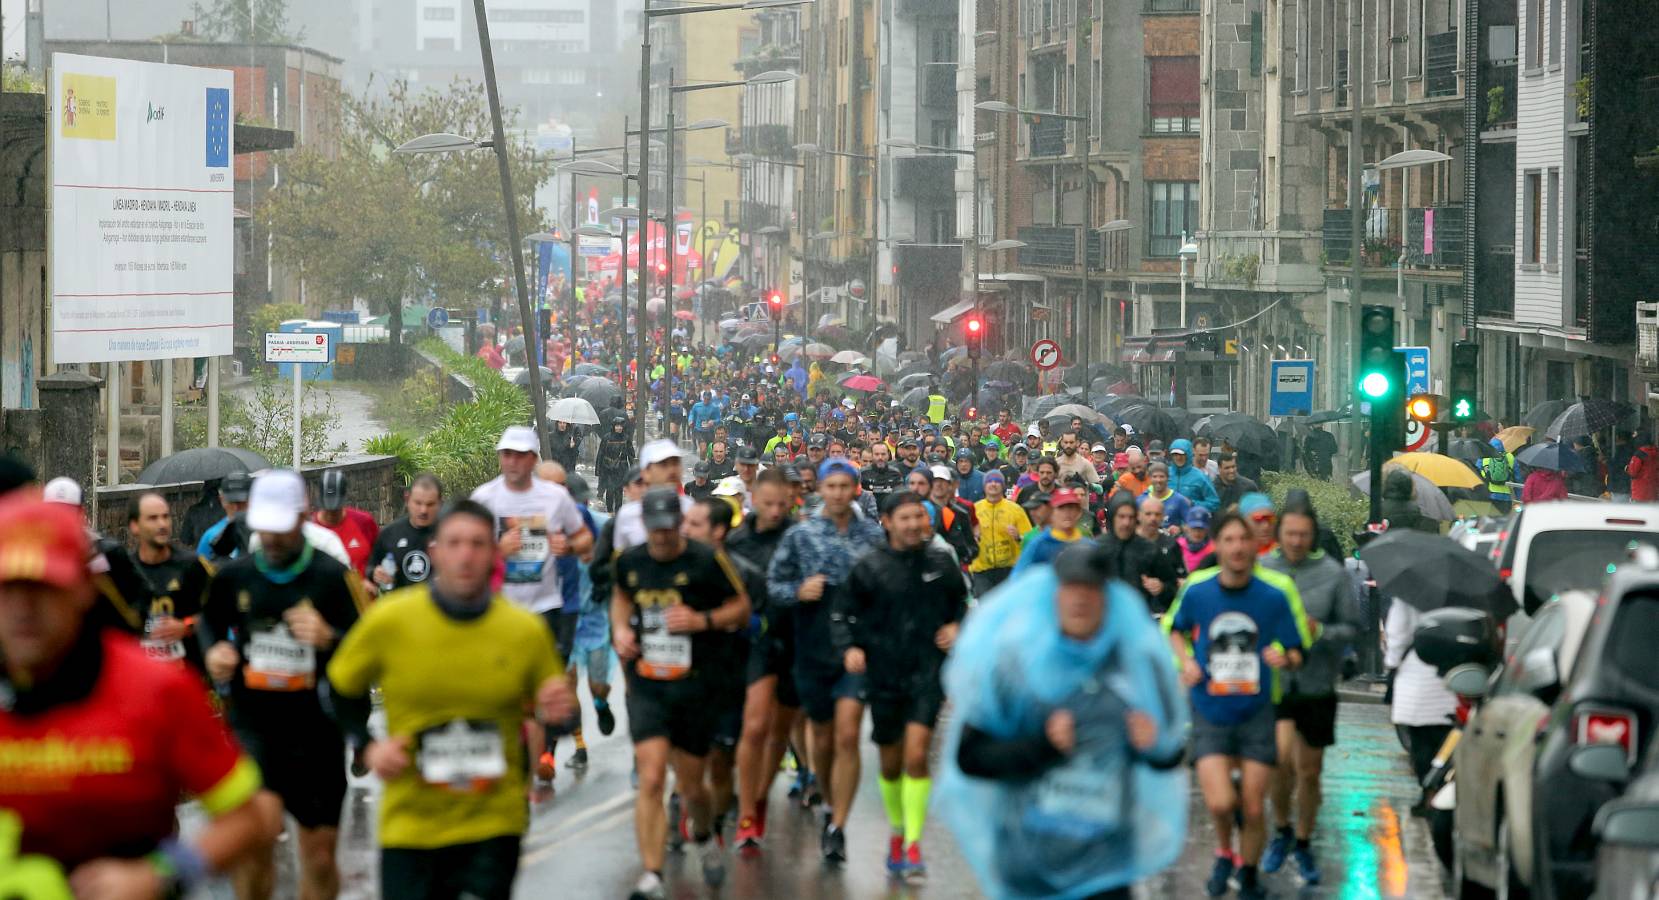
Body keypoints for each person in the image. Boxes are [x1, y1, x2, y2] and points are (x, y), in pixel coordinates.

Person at [0, 492, 280, 899]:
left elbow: (256, 815)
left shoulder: (158, 688)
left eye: (43, 587)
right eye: (9, 587)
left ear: (82, 589)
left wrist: (161, 875)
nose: (23, 608)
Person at [327, 500, 576, 900]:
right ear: (435, 553)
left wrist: (560, 711)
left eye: (478, 544)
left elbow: (557, 716)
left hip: (493, 824)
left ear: (494, 554)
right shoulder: (391, 620)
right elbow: (338, 688)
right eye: (454, 543)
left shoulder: (524, 631)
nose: (466, 555)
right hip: (411, 825)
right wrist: (368, 748)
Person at [942, 542, 1188, 900]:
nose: (1080, 599)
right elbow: (971, 757)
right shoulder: (1018, 668)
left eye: (1091, 588)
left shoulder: (1137, 670)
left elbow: (1170, 753)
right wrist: (1042, 745)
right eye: (1070, 587)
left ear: (1109, 597)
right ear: (1052, 595)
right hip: (1029, 858)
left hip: (1105, 862)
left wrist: (1154, 747)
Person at [201, 469, 368, 900]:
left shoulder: (330, 577)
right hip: (254, 728)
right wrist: (215, 651)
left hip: (317, 731)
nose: (271, 538)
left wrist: (329, 637)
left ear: (302, 518)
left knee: (317, 856)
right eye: (264, 527)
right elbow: (209, 624)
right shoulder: (235, 577)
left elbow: (366, 650)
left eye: (281, 527)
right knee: (255, 845)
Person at [611, 488, 750, 900]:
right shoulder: (630, 561)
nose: (661, 539)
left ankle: (704, 834)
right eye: (654, 530)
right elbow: (621, 597)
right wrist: (620, 630)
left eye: (668, 530)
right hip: (647, 684)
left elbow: (741, 607)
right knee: (651, 777)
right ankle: (652, 874)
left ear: (678, 524)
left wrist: (701, 619)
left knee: (693, 788)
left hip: (695, 685)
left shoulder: (706, 560)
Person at [1163, 512, 1309, 900]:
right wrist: (1188, 661)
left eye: (1243, 540)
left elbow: (1296, 649)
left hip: (1257, 712)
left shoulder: (1272, 596)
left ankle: (1246, 872)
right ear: (1218, 546)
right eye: (1228, 540)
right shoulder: (1198, 591)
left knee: (1254, 806)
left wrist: (1284, 657)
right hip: (1210, 710)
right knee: (1221, 801)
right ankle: (1225, 850)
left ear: (1253, 547)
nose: (1237, 547)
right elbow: (1175, 630)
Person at [833, 491, 969, 880]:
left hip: (927, 671)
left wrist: (955, 625)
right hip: (883, 673)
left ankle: (912, 842)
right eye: (905, 518)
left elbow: (961, 602)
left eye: (919, 518)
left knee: (916, 756)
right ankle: (897, 830)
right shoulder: (869, 567)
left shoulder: (941, 563)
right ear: (888, 522)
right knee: (891, 763)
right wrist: (850, 649)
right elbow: (842, 614)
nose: (914, 525)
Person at [766, 457, 886, 863]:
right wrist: (798, 591)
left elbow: (887, 587)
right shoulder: (801, 536)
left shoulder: (873, 536)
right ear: (818, 489)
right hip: (812, 645)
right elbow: (774, 587)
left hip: (856, 648)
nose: (837, 493)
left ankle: (838, 823)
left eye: (844, 486)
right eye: (829, 486)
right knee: (822, 737)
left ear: (855, 489)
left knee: (849, 733)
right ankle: (829, 803)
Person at [470, 425, 593, 789]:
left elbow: (584, 539)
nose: (511, 461)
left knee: (542, 690)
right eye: (506, 454)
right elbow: (462, 552)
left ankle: (540, 759)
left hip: (546, 608)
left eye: (519, 454)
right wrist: (496, 550)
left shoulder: (554, 498)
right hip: (500, 610)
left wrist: (567, 547)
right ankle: (506, 754)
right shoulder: (485, 498)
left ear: (532, 459)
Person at [1258, 504, 1359, 886]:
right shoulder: (1265, 570)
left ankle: (1302, 840)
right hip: (1276, 685)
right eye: (1290, 534)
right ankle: (1281, 827)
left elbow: (1351, 628)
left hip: (1317, 683)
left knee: (1310, 771)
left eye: (1303, 534)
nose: (1296, 541)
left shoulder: (1334, 575)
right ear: (1280, 533)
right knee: (1280, 763)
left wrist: (1320, 632)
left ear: (1312, 535)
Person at [679, 496, 760, 845]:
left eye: (695, 525)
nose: (685, 530)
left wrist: (717, 622)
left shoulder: (745, 574)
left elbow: (758, 625)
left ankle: (714, 825)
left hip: (727, 676)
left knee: (719, 761)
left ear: (718, 531)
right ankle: (683, 800)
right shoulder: (671, 569)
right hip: (679, 679)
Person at [727, 469, 800, 849]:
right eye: (767, 503)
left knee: (779, 732)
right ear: (753, 498)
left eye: (781, 504)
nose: (774, 511)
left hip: (794, 642)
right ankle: (745, 810)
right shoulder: (736, 541)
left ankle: (759, 798)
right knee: (754, 726)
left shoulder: (799, 537)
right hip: (754, 641)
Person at [126, 491, 214, 672]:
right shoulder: (125, 570)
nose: (162, 524)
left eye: (166, 517)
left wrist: (186, 626)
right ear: (135, 526)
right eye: (153, 518)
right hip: (141, 678)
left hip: (187, 675)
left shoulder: (192, 566)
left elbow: (221, 610)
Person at [1098, 491, 1179, 608]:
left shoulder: (1150, 549)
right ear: (1112, 517)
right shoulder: (1098, 548)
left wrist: (1161, 588)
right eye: (1121, 516)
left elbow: (1173, 589)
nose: (1126, 523)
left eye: (1131, 517)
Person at [369, 473, 443, 593]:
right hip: (401, 607)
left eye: (430, 504)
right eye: (418, 503)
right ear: (407, 499)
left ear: (440, 502)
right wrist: (375, 573)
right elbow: (370, 567)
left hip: (439, 608)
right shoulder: (390, 533)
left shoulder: (451, 535)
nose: (423, 510)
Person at [968, 470, 1031, 596]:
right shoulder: (974, 509)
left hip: (1009, 570)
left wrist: (1018, 536)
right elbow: (964, 540)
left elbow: (1029, 540)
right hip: (981, 570)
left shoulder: (1015, 510)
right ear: (984, 486)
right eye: (989, 481)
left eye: (997, 481)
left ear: (1003, 486)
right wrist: (973, 537)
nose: (993, 484)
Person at [313, 468, 380, 579]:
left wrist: (372, 576)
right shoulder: (310, 530)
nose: (331, 513)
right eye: (327, 508)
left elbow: (379, 557)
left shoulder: (364, 522)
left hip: (361, 594)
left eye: (336, 508)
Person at [1012, 488, 1089, 574]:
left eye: (1071, 507)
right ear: (1052, 511)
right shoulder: (1038, 545)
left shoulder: (1088, 546)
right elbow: (1018, 576)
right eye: (1061, 507)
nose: (1067, 512)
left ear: (1079, 512)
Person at [1135, 495, 1186, 614]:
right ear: (1139, 515)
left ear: (1163, 516)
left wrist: (1163, 587)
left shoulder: (1171, 544)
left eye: (1157, 514)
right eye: (1148, 514)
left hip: (1163, 612)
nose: (1153, 518)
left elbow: (1180, 581)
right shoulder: (1128, 543)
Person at [926, 465, 977, 568]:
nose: (938, 484)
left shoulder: (961, 513)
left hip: (955, 571)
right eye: (935, 481)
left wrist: (963, 556)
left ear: (950, 485)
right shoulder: (921, 512)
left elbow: (972, 547)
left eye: (943, 481)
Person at [197, 471, 253, 561]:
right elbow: (199, 571)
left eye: (241, 502)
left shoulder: (265, 532)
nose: (236, 508)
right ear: (222, 500)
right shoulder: (211, 537)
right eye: (231, 502)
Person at [1139, 462, 1193, 531]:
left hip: (1171, 540)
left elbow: (1192, 525)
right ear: (1150, 478)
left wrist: (1180, 529)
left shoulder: (1179, 500)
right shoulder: (1141, 500)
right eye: (1155, 476)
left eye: (1162, 476)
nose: (1158, 480)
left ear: (1168, 478)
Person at [597, 418, 637, 513]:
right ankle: (610, 511)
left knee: (619, 491)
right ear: (613, 426)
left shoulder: (626, 438)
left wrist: (633, 471)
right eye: (617, 426)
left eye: (620, 426)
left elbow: (631, 455)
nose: (619, 428)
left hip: (621, 469)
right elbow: (601, 454)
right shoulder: (607, 438)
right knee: (610, 491)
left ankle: (618, 512)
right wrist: (599, 469)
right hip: (608, 468)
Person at [1480, 437, 1517, 513]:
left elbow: (1478, 474)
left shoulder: (1484, 457)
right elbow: (1517, 476)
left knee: (1492, 520)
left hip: (1491, 494)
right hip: (1506, 496)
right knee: (1505, 521)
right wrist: (1519, 495)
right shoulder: (1510, 456)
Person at [1178, 507, 1215, 574]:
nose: (1197, 533)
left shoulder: (1214, 548)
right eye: (1194, 528)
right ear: (1186, 527)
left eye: (1201, 528)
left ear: (1207, 529)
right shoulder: (1177, 545)